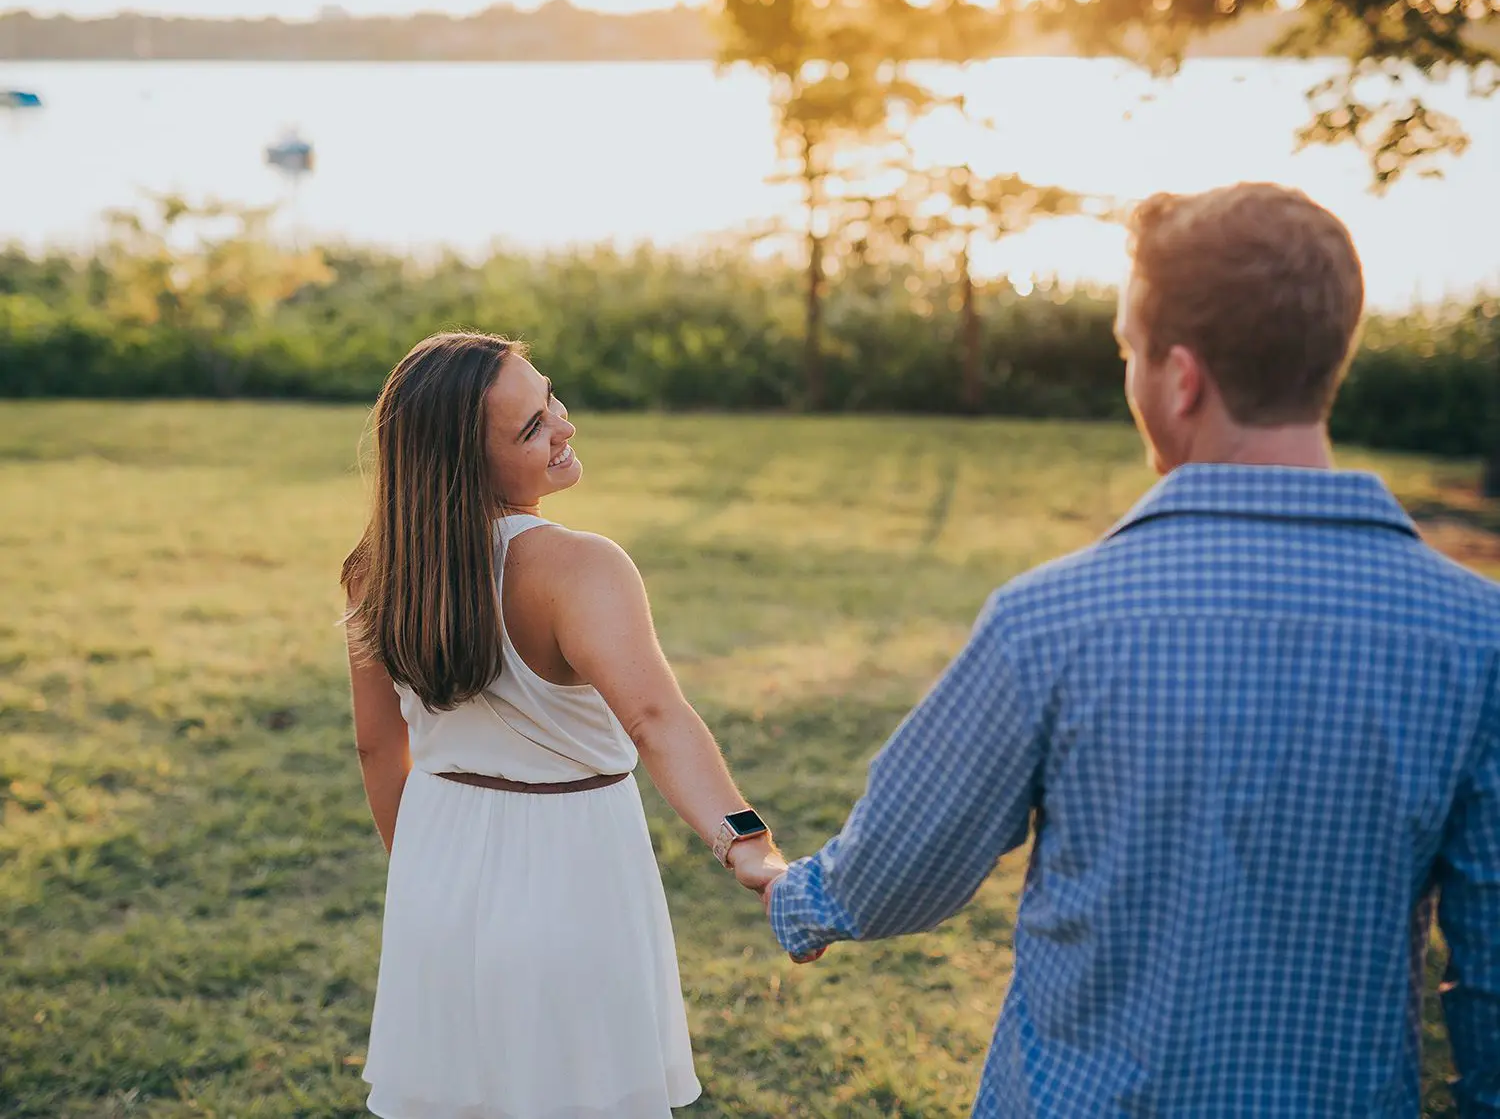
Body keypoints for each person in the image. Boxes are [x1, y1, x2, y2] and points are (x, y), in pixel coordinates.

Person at [765, 182, 1500, 1116]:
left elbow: (899, 864)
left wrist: (794, 893)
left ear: (1180, 378)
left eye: (1128, 350)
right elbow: (1490, 980)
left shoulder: (1050, 620)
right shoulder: (1478, 639)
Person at [341, 332, 786, 1119]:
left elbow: (378, 746)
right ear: (466, 465)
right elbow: (656, 719)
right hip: (571, 869)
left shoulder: (376, 569)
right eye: (532, 427)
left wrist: (423, 879)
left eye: (549, 399)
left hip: (434, 862)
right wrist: (747, 844)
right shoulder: (581, 568)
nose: (564, 426)